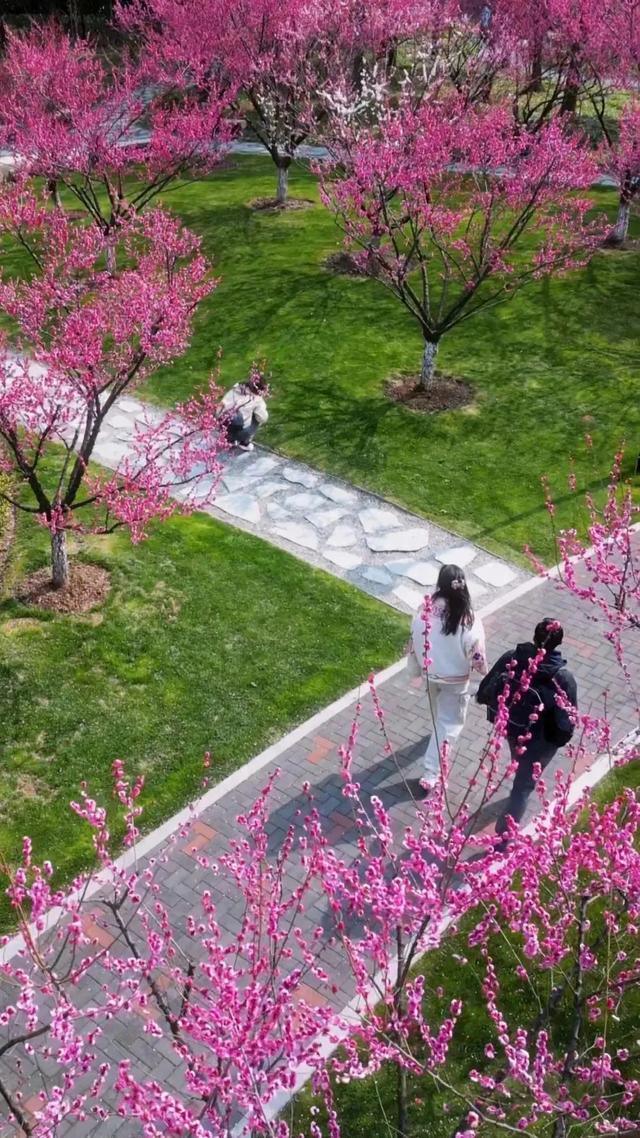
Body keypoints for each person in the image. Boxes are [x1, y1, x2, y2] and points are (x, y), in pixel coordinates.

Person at [476, 618, 578, 844]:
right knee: (523, 787)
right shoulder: (562, 679)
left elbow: (483, 692)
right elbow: (567, 723)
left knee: (519, 760)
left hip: (512, 728)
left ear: (534, 636)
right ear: (559, 643)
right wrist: (555, 740)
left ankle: (518, 769)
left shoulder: (512, 658)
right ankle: (504, 836)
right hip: (540, 743)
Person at [409, 564, 487, 795]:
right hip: (455, 680)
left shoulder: (424, 609)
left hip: (431, 673)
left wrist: (418, 665)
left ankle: (434, 745)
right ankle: (431, 771)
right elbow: (477, 655)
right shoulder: (468, 618)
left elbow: (414, 638)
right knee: (449, 725)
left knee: (438, 713)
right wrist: (484, 672)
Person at [222, 373, 269, 453]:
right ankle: (244, 442)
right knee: (258, 417)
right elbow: (263, 418)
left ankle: (228, 439)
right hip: (239, 431)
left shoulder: (235, 388)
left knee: (233, 414)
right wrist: (262, 403)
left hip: (222, 426)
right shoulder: (256, 398)